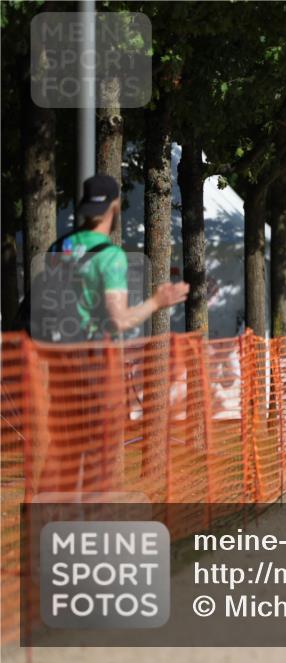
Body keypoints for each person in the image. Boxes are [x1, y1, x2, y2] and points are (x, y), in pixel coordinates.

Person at [32, 174, 188, 494]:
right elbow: (119, 319)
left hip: (58, 362)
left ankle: (51, 526)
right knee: (95, 451)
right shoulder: (110, 256)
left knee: (63, 448)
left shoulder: (59, 247)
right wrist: (157, 302)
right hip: (92, 363)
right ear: (115, 205)